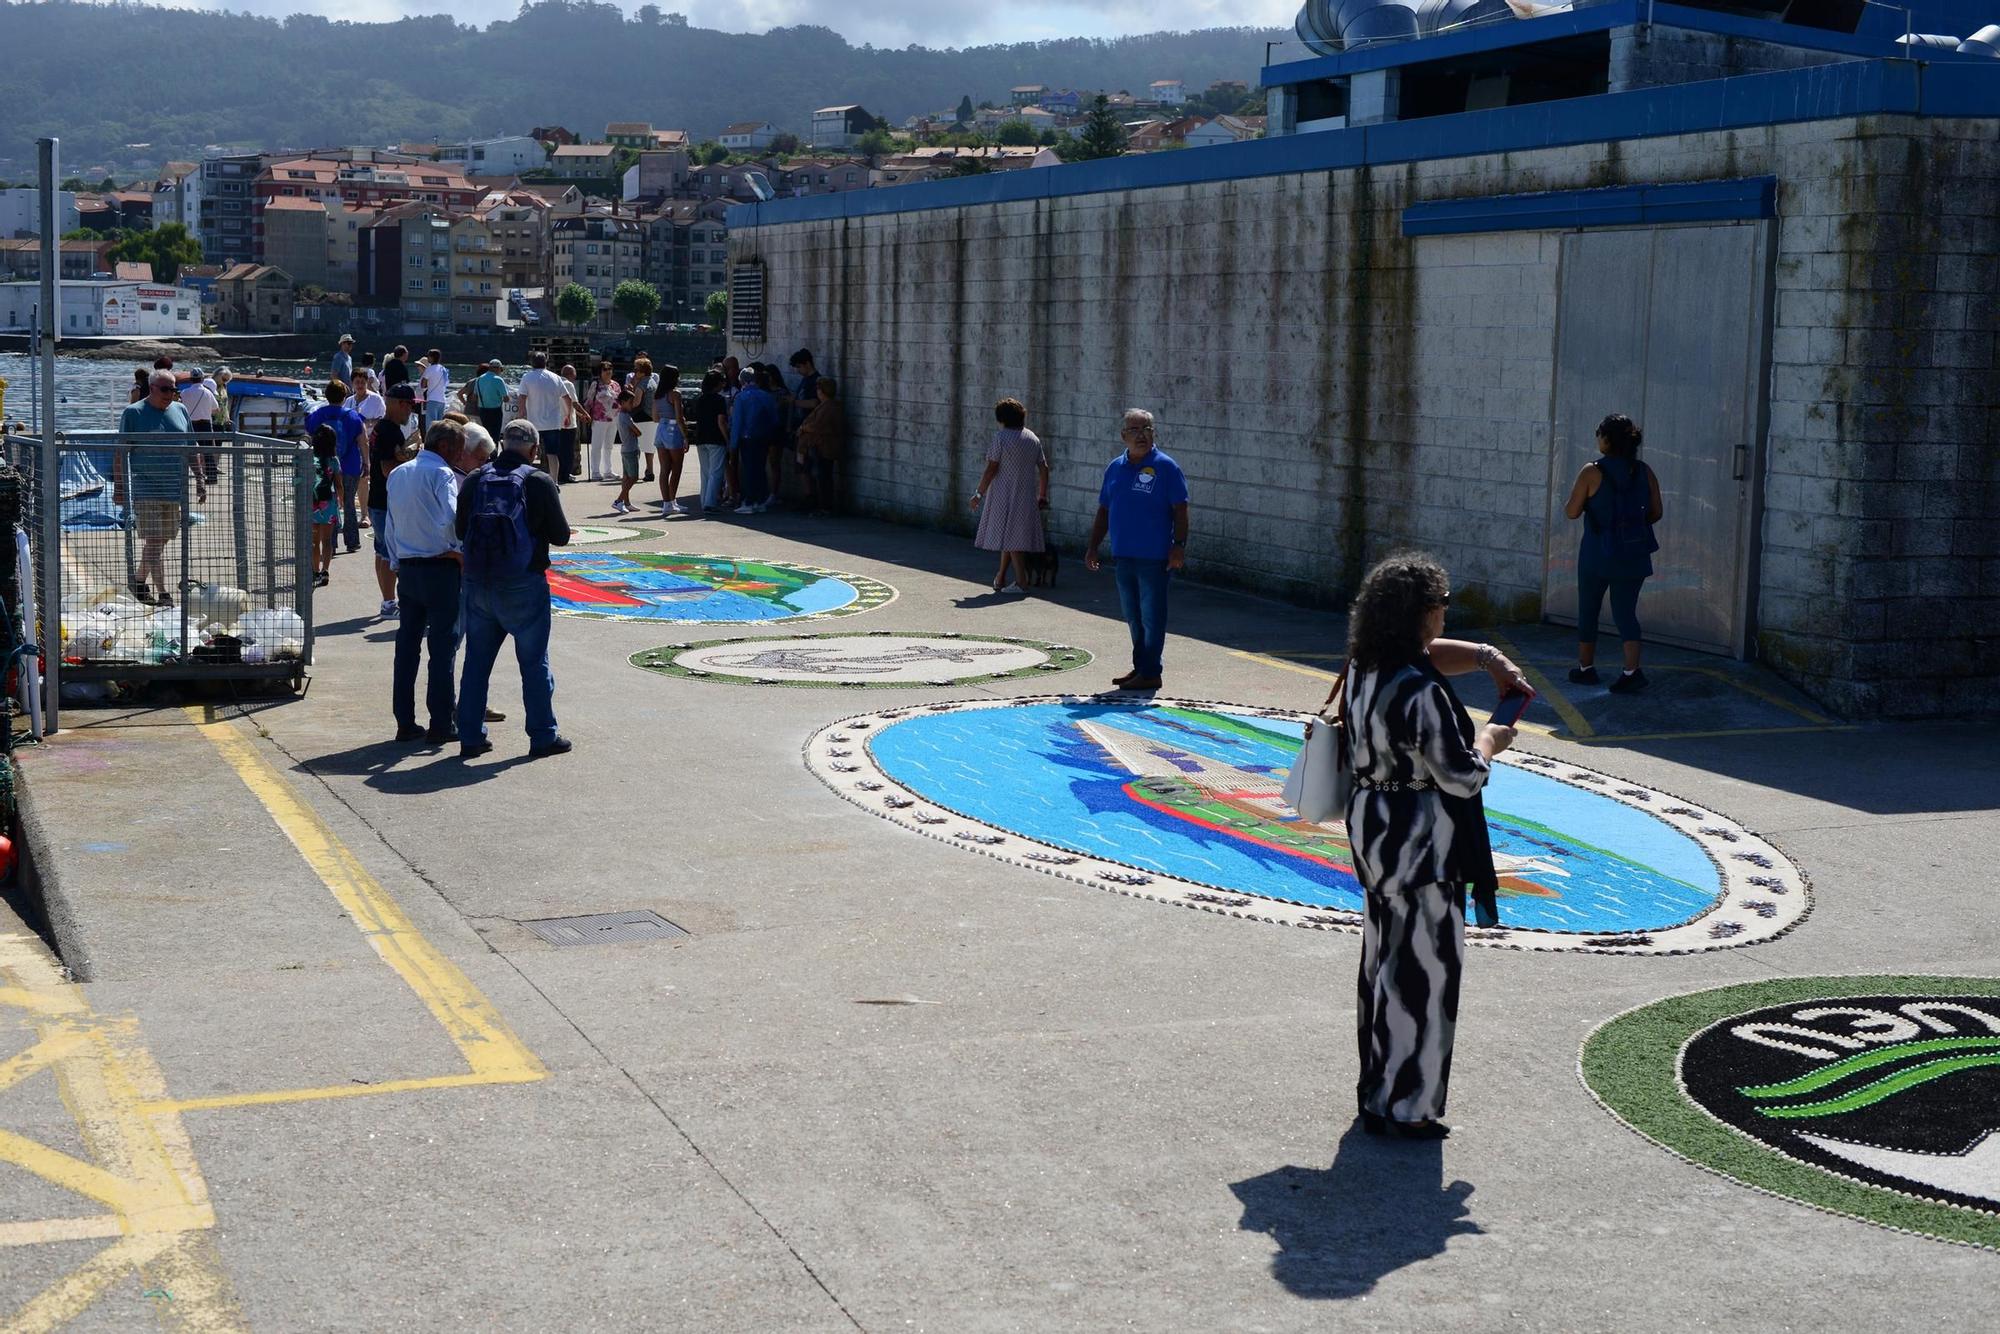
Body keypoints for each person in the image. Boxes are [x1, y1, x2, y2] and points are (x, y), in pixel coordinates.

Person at [1340, 552, 1532, 1139]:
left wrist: (1486, 657)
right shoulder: (1420, 690)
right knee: (1424, 973)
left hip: (1373, 827)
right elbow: (1462, 775)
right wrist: (1492, 738)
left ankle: (1378, 1092)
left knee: (1382, 963)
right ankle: (1410, 1107)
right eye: (1442, 606)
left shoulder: (1365, 667)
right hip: (1421, 840)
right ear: (1422, 614)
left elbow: (1431, 657)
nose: (1445, 614)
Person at [455, 419, 574, 760]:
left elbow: (462, 530)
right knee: (534, 662)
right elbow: (561, 535)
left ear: (501, 444)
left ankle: (470, 735)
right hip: (523, 583)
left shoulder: (477, 478)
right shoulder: (538, 480)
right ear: (534, 449)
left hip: (478, 583)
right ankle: (542, 734)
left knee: (476, 662)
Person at [1084, 409, 1188, 691]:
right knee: (1133, 617)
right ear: (1123, 436)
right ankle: (1141, 667)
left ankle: (1152, 671)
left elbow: (1180, 508)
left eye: (1147, 429)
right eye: (1135, 430)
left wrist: (1178, 546)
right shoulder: (1115, 468)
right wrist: (1093, 547)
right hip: (1124, 555)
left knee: (1152, 617)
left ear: (1154, 434)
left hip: (1154, 558)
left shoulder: (1165, 467)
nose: (1141, 435)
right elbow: (1104, 509)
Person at [1563, 412, 1663, 693]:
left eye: (1599, 433)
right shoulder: (1645, 471)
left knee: (1589, 608)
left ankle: (1585, 669)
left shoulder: (1591, 471)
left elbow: (1571, 512)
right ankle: (1632, 672)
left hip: (1597, 553)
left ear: (1606, 439)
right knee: (1626, 613)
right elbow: (1657, 512)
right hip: (1634, 553)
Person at [382, 419, 467, 744]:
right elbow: (450, 517)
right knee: (442, 648)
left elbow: (391, 524)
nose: (459, 456)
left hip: (408, 568)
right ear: (445, 447)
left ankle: (405, 720)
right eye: (458, 449)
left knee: (407, 647)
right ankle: (441, 722)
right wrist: (458, 551)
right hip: (439, 568)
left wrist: (396, 560)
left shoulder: (400, 473)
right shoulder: (442, 473)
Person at [114, 371, 195, 607]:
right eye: (165, 389)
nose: (170, 394)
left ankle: (138, 581)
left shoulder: (180, 410)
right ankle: (163, 593)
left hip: (174, 488)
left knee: (159, 542)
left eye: (173, 390)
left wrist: (200, 477)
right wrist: (120, 487)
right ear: (151, 387)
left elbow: (192, 445)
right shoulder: (133, 413)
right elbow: (121, 452)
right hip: (145, 487)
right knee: (155, 539)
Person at [971, 397, 1048, 592]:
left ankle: (1022, 582)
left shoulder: (1001, 438)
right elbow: (1044, 468)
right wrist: (1042, 494)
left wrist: (978, 494)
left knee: (1012, 538)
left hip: (1003, 494)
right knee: (1010, 535)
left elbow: (991, 468)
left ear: (1002, 418)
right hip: (1026, 495)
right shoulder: (1032, 438)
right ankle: (1001, 577)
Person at [368, 384, 421, 617]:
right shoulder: (390, 431)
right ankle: (389, 603)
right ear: (399, 404)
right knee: (390, 555)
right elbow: (388, 469)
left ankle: (387, 600)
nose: (411, 411)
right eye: (410, 406)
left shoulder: (382, 427)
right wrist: (411, 460)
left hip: (377, 498)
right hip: (386, 499)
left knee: (381, 552)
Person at [305, 379, 367, 553]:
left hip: (324, 465)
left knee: (327, 503)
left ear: (326, 395)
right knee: (348, 502)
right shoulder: (353, 416)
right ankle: (352, 541)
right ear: (344, 396)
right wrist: (367, 462)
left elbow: (307, 437)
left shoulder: (317, 414)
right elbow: (363, 441)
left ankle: (330, 543)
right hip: (350, 464)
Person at [730, 367, 780, 515]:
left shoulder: (741, 397)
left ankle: (749, 502)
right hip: (764, 437)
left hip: (747, 438)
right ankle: (760, 501)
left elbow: (737, 422)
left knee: (749, 470)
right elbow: (775, 419)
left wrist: (733, 444)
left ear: (742, 381)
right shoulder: (766, 396)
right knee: (760, 469)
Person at [793, 376, 844, 517]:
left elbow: (818, 425)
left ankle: (825, 508)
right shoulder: (825, 405)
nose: (817, 391)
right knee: (821, 476)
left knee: (824, 477)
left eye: (818, 388)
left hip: (825, 447)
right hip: (820, 446)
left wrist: (803, 428)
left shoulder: (830, 407)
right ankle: (823, 506)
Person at [518, 352, 572, 482]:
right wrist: (568, 415)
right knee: (552, 453)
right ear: (546, 362)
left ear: (532, 363)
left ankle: (527, 479)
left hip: (533, 422)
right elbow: (567, 398)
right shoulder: (555, 378)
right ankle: (554, 481)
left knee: (529, 452)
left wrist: (521, 415)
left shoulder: (527, 377)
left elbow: (522, 398)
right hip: (553, 422)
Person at [347, 367, 387, 524]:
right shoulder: (349, 401)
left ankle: (365, 515)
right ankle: (351, 516)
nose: (360, 385)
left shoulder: (376, 399)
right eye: (357, 382)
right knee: (350, 480)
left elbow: (382, 421)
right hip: (351, 446)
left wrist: (366, 422)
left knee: (365, 478)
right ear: (352, 383)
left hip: (370, 444)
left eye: (362, 382)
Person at [652, 363, 691, 515]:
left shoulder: (658, 394)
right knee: (677, 467)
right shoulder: (675, 394)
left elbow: (655, 417)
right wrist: (686, 436)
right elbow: (679, 418)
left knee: (664, 469)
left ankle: (667, 503)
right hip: (673, 429)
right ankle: (672, 500)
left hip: (661, 428)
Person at [690, 370, 730, 514]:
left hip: (701, 437)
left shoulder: (700, 399)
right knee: (716, 472)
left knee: (705, 472)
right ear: (717, 384)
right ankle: (710, 503)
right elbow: (721, 421)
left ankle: (704, 501)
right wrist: (727, 439)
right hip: (716, 438)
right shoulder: (719, 400)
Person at [309, 424, 340, 586]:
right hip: (329, 502)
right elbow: (339, 484)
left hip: (312, 503)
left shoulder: (309, 458)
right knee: (327, 540)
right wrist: (341, 501)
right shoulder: (333, 461)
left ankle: (314, 571)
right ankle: (325, 571)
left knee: (314, 541)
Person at [179, 366, 220, 484]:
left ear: (191, 379)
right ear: (202, 379)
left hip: (191, 424)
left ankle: (184, 476)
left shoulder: (184, 393)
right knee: (208, 452)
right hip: (206, 424)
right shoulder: (208, 393)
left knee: (188, 451)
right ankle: (212, 477)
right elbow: (216, 409)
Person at [586, 362, 620, 481]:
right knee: (596, 446)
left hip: (614, 419)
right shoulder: (595, 385)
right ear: (600, 372)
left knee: (609, 446)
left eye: (610, 369)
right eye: (605, 369)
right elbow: (589, 401)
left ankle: (608, 471)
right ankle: (595, 471)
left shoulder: (616, 385)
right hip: (599, 419)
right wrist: (586, 415)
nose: (608, 371)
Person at [611, 385, 642, 513]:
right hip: (631, 449)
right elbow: (638, 432)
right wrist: (636, 431)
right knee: (633, 477)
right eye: (630, 402)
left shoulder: (620, 415)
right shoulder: (626, 417)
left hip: (625, 449)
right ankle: (618, 501)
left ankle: (626, 502)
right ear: (623, 403)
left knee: (626, 477)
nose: (632, 405)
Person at [627, 355, 658, 483]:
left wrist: (628, 402)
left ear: (641, 372)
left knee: (636, 446)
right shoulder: (652, 381)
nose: (634, 373)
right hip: (652, 417)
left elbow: (636, 402)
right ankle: (649, 470)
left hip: (642, 417)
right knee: (649, 447)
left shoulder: (642, 384)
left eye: (636, 370)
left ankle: (633, 472)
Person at [557, 364, 582, 483]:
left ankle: (559, 473)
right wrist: (586, 414)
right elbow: (574, 403)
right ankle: (566, 474)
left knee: (559, 450)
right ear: (570, 374)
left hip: (557, 422)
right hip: (569, 423)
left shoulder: (555, 383)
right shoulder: (569, 384)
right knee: (568, 451)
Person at [470, 360, 509, 438]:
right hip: (495, 411)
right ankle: (494, 449)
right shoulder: (498, 380)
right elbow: (506, 399)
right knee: (495, 434)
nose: (500, 372)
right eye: (501, 370)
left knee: (485, 435)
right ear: (498, 368)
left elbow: (474, 397)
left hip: (482, 410)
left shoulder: (479, 379)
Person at [419, 349, 450, 428]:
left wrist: (428, 384)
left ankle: (430, 440)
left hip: (432, 400)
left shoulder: (429, 369)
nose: (428, 358)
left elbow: (423, 385)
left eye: (428, 356)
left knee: (431, 426)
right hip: (442, 400)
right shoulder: (443, 369)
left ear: (432, 358)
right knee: (440, 426)